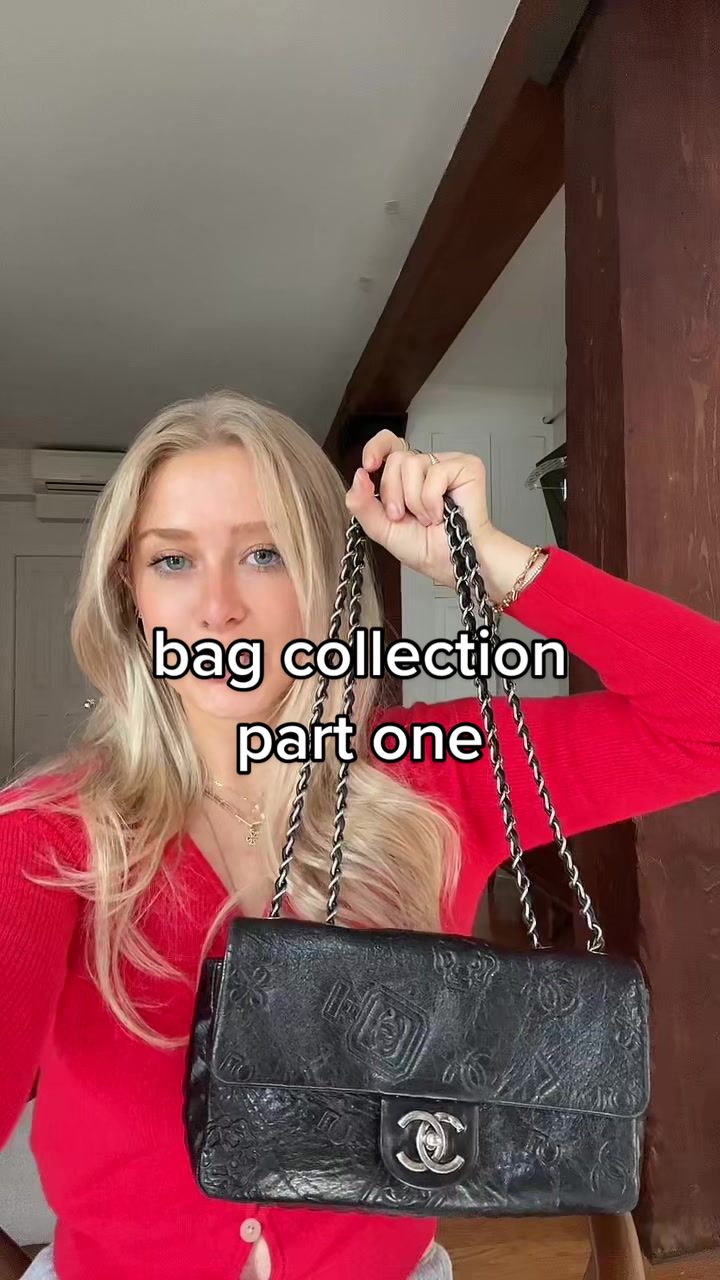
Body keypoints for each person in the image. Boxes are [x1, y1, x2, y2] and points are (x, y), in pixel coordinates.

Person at [1, 390, 719, 1280]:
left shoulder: (438, 774)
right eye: (173, 560)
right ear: (129, 593)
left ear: (324, 574)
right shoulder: (48, 838)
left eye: (264, 553)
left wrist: (491, 563)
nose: (218, 608)